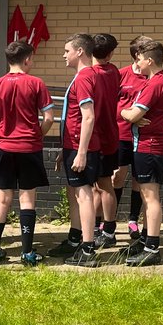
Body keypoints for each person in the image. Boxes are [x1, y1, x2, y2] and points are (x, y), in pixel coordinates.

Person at [0, 39, 54, 266]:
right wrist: (37, 135)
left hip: (3, 147)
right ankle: (27, 253)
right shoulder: (37, 83)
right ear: (27, 59)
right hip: (29, 148)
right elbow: (49, 118)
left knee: (2, 199)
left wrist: (0, 138)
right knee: (27, 198)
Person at [49, 33, 102, 266]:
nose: (63, 55)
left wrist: (81, 152)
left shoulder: (84, 78)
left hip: (84, 147)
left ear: (80, 51)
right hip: (74, 145)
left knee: (84, 195)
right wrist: (67, 148)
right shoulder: (86, 76)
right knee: (76, 193)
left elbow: (88, 117)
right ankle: (77, 239)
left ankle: (88, 249)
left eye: (67, 50)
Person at [120, 40, 163, 267]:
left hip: (150, 147)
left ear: (149, 60)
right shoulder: (154, 81)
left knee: (150, 197)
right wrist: (131, 113)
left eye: (140, 58)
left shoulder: (155, 84)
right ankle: (144, 240)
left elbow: (131, 115)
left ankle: (152, 248)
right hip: (144, 145)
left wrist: (124, 111)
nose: (137, 62)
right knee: (144, 194)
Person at [113, 34, 151, 242]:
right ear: (138, 55)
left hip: (142, 136)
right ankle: (109, 220)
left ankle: (133, 220)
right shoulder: (121, 75)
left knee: (138, 179)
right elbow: (111, 103)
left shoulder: (151, 76)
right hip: (121, 133)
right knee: (118, 175)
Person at [91, 33, 121, 250]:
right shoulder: (114, 71)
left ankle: (108, 230)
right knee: (100, 185)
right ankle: (97, 226)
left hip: (97, 136)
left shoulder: (91, 74)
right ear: (110, 53)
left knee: (103, 184)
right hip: (111, 134)